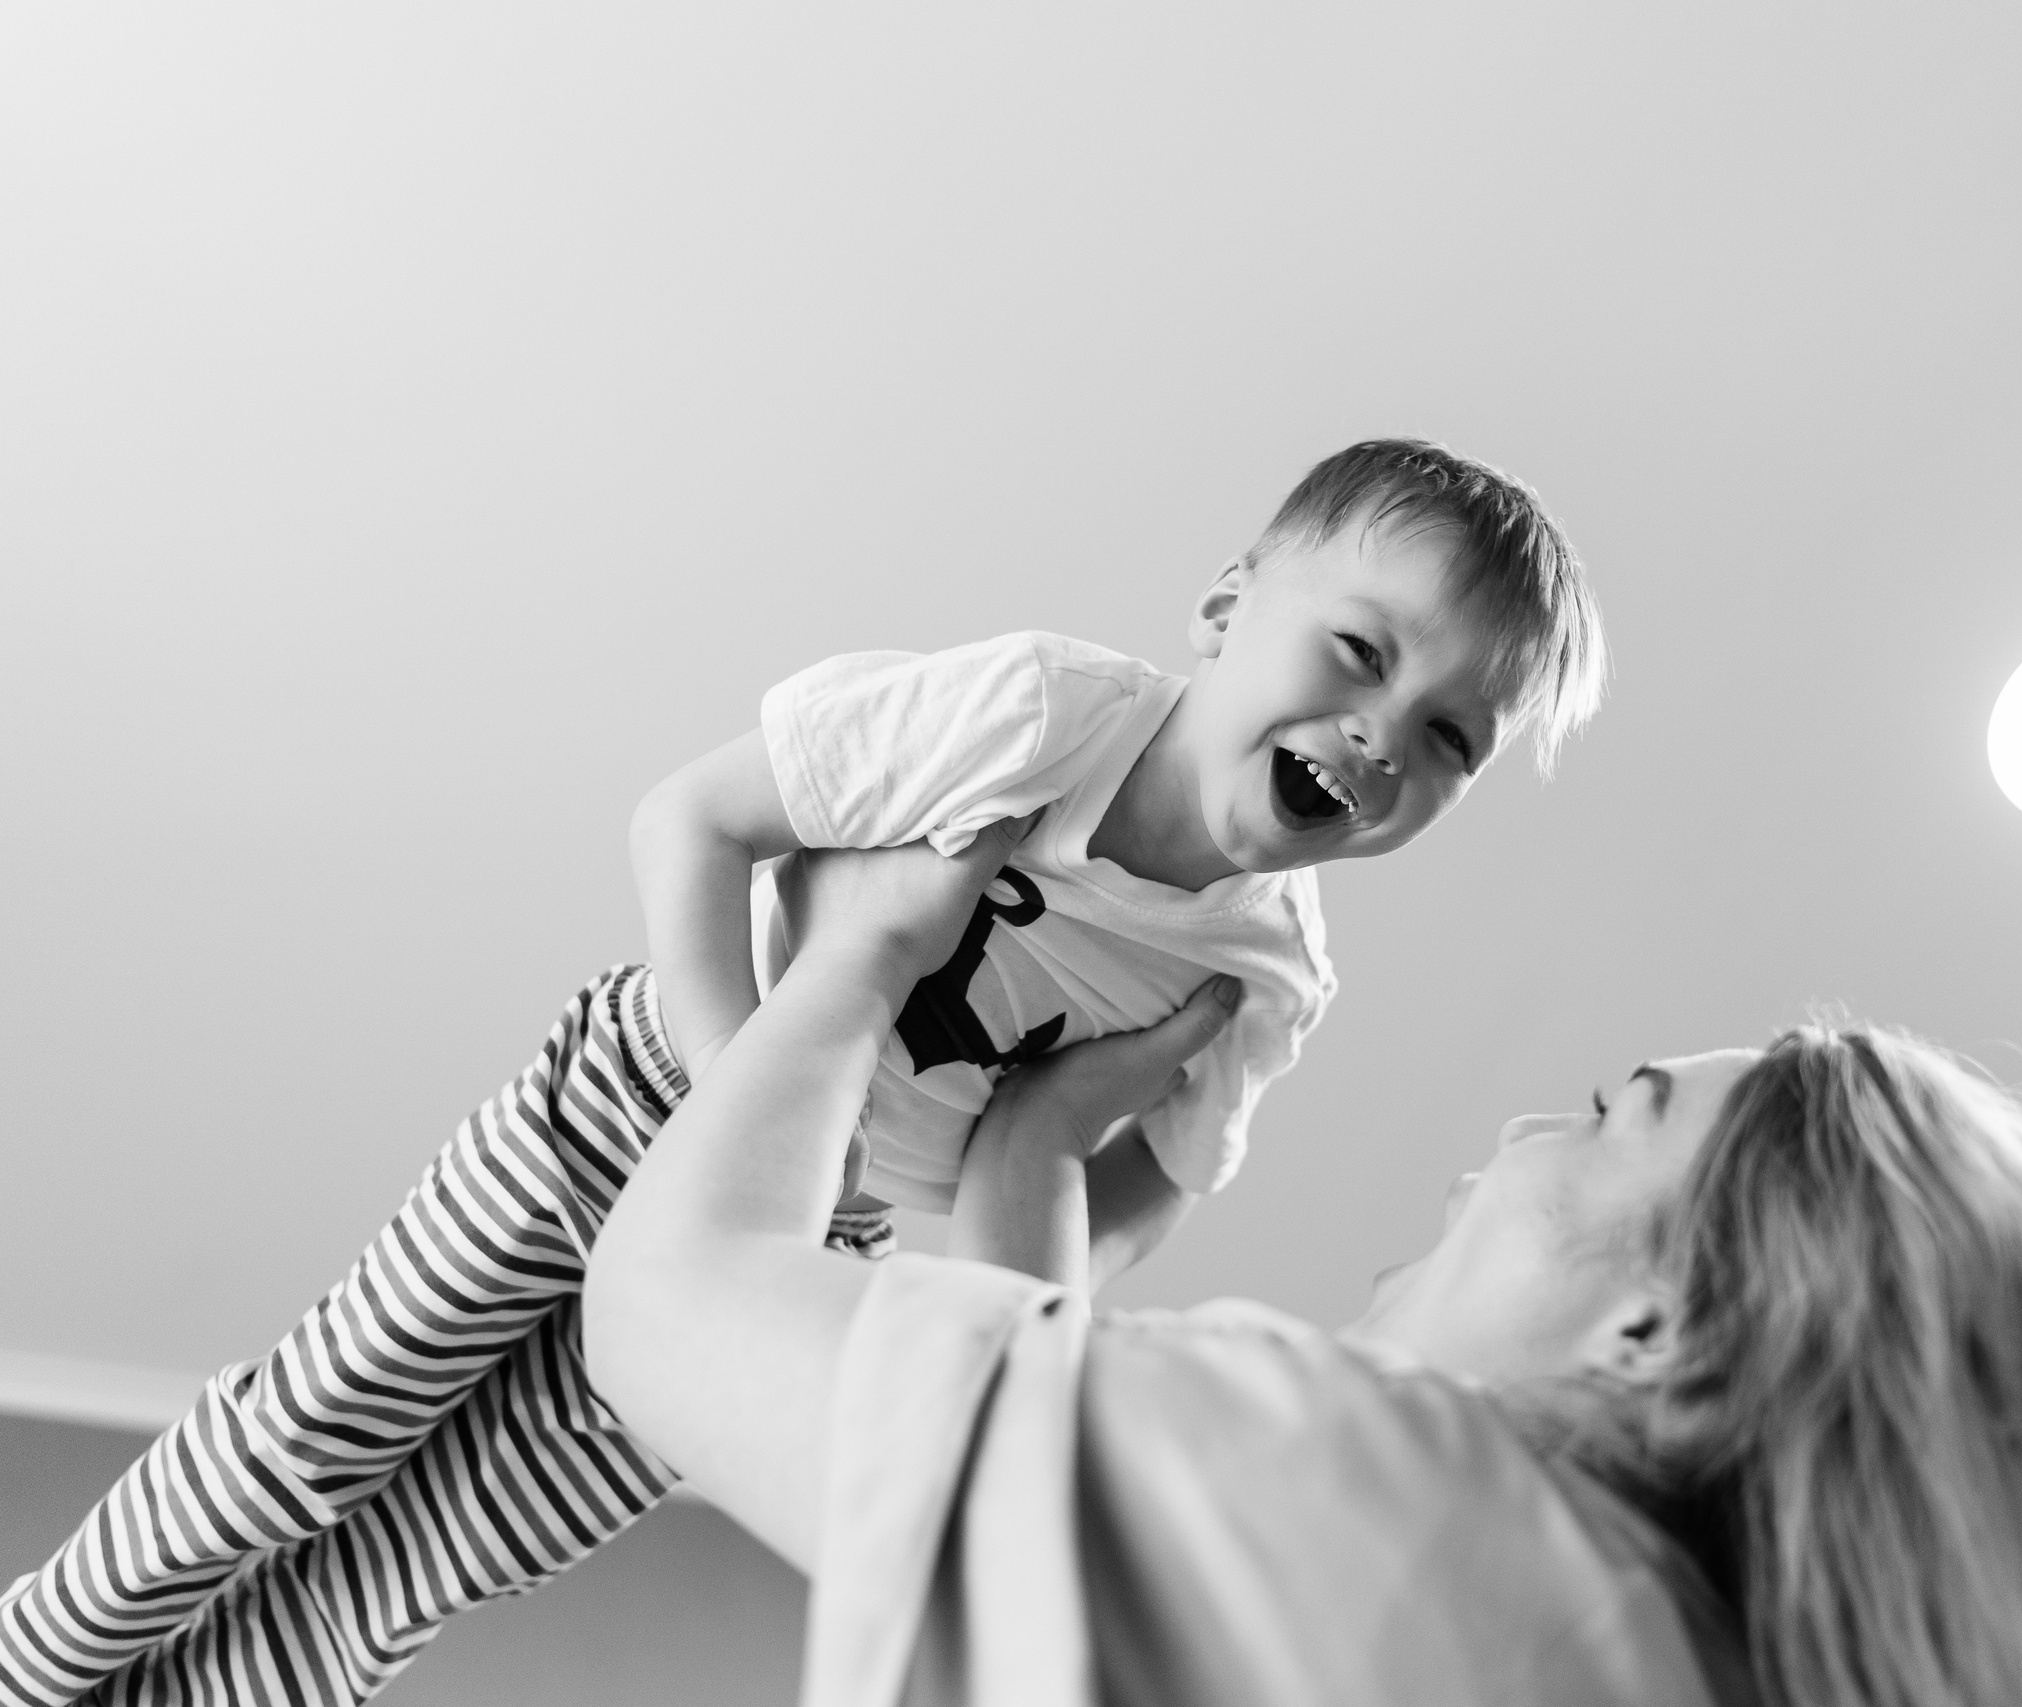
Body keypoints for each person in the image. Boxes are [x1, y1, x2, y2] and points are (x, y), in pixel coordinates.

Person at [0, 440, 1608, 1707]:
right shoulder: (1036, 717)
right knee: (319, 1428)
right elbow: (692, 823)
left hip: (796, 1258)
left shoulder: (1264, 977)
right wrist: (730, 1102)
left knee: (427, 1564)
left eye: (1451, 737)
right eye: (1359, 650)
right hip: (628, 1111)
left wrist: (982, 1271)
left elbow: (1155, 1190)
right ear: (1222, 611)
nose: (1384, 733)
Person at [575, 829, 2022, 1707]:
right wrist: (1037, 1162)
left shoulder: (1399, 1493)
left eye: (1607, 1114)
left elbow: (674, 1304)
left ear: (1669, 1325)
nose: (1508, 1138)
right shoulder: (1635, 1652)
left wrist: (863, 955)